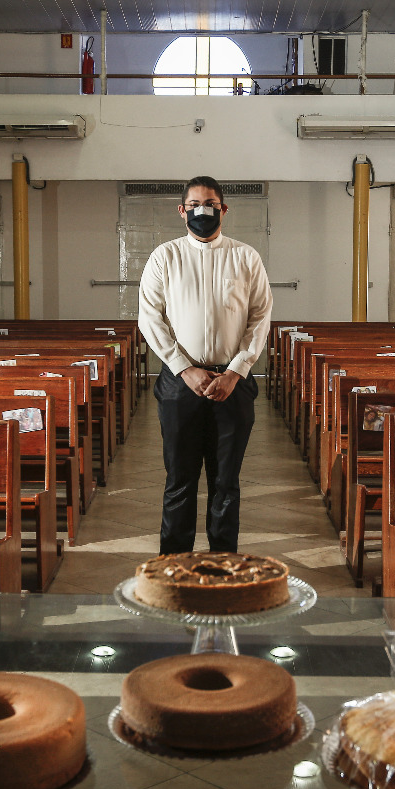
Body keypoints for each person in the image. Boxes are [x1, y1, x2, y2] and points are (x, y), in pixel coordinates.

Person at [138, 176, 273, 554]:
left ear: (223, 209)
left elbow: (260, 317)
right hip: (181, 383)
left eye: (211, 204)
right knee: (180, 479)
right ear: (182, 211)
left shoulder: (245, 257)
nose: (203, 211)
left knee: (226, 481)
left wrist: (235, 371)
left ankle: (222, 564)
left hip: (232, 382)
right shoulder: (165, 256)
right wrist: (184, 367)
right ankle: (174, 566)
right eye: (195, 204)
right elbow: (150, 318)